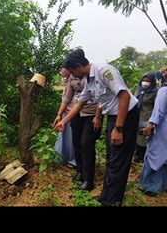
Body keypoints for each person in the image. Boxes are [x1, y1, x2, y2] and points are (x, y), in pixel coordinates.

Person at [55, 49, 139, 206]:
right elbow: (79, 103)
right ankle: (106, 197)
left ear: (79, 66)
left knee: (118, 160)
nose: (72, 75)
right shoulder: (89, 80)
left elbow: (125, 96)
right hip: (114, 117)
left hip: (126, 116)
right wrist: (64, 121)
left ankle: (112, 201)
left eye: (73, 71)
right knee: (111, 158)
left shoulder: (104, 71)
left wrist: (119, 128)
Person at [53, 68, 102, 191]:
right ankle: (80, 171)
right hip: (76, 113)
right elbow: (67, 98)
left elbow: (101, 98)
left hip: (91, 114)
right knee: (77, 143)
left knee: (86, 144)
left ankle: (88, 180)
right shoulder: (72, 79)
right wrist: (59, 114)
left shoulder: (91, 78)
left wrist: (98, 116)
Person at [139, 64, 167, 197]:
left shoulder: (164, 91)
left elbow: (159, 112)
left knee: (153, 155)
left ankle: (150, 186)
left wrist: (149, 127)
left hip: (163, 129)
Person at [53, 68, 76, 167]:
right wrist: (59, 114)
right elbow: (65, 99)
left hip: (72, 113)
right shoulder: (68, 81)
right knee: (63, 136)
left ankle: (72, 160)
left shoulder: (75, 80)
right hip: (65, 112)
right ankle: (61, 158)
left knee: (71, 138)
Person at [133, 73, 158, 163]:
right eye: (144, 80)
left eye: (148, 81)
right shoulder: (138, 90)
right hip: (137, 117)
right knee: (136, 137)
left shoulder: (155, 92)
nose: (145, 82)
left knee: (144, 138)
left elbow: (157, 107)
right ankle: (137, 156)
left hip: (147, 118)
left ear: (152, 82)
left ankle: (144, 157)